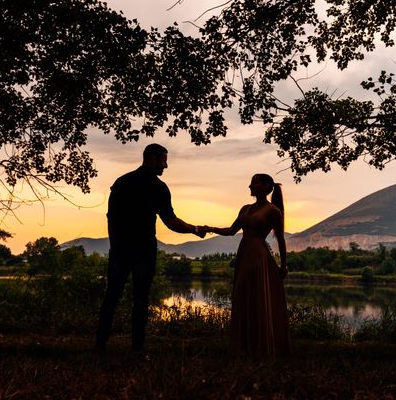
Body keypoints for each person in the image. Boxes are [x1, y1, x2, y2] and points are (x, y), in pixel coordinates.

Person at [95, 143, 206, 353]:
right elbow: (171, 221)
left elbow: (111, 218)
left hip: (120, 249)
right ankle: (136, 349)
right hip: (144, 251)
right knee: (140, 299)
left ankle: (100, 345)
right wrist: (194, 229)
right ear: (152, 159)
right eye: (164, 160)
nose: (166, 165)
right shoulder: (158, 187)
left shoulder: (122, 182)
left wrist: (115, 245)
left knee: (112, 296)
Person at [204, 173, 290, 358]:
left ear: (267, 187)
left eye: (255, 183)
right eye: (251, 183)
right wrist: (210, 228)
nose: (250, 186)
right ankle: (244, 345)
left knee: (256, 295)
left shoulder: (273, 210)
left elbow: (281, 239)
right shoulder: (245, 208)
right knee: (241, 295)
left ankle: (260, 345)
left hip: (259, 255)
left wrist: (284, 265)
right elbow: (231, 230)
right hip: (244, 253)